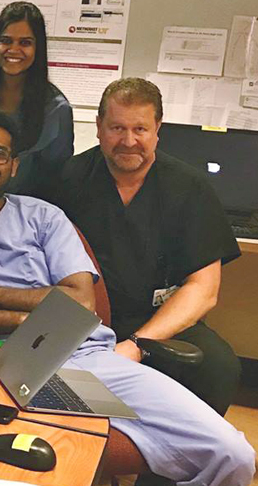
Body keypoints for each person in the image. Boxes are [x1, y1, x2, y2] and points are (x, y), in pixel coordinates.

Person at [0, 108, 254, 486]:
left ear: (14, 165)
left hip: (83, 357)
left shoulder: (46, 217)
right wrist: (33, 316)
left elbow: (80, 302)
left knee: (233, 454)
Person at [50, 77, 241, 417]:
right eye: (116, 128)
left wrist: (136, 345)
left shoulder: (189, 188)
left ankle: (163, 470)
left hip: (158, 320)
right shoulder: (70, 179)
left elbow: (203, 289)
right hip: (85, 319)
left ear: (157, 130)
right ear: (98, 128)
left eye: (140, 129)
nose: (128, 141)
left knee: (218, 366)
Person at [0, 1, 73, 196]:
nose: (13, 49)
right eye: (5, 41)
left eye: (25, 43)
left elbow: (56, 180)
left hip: (22, 211)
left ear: (38, 48)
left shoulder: (56, 110)